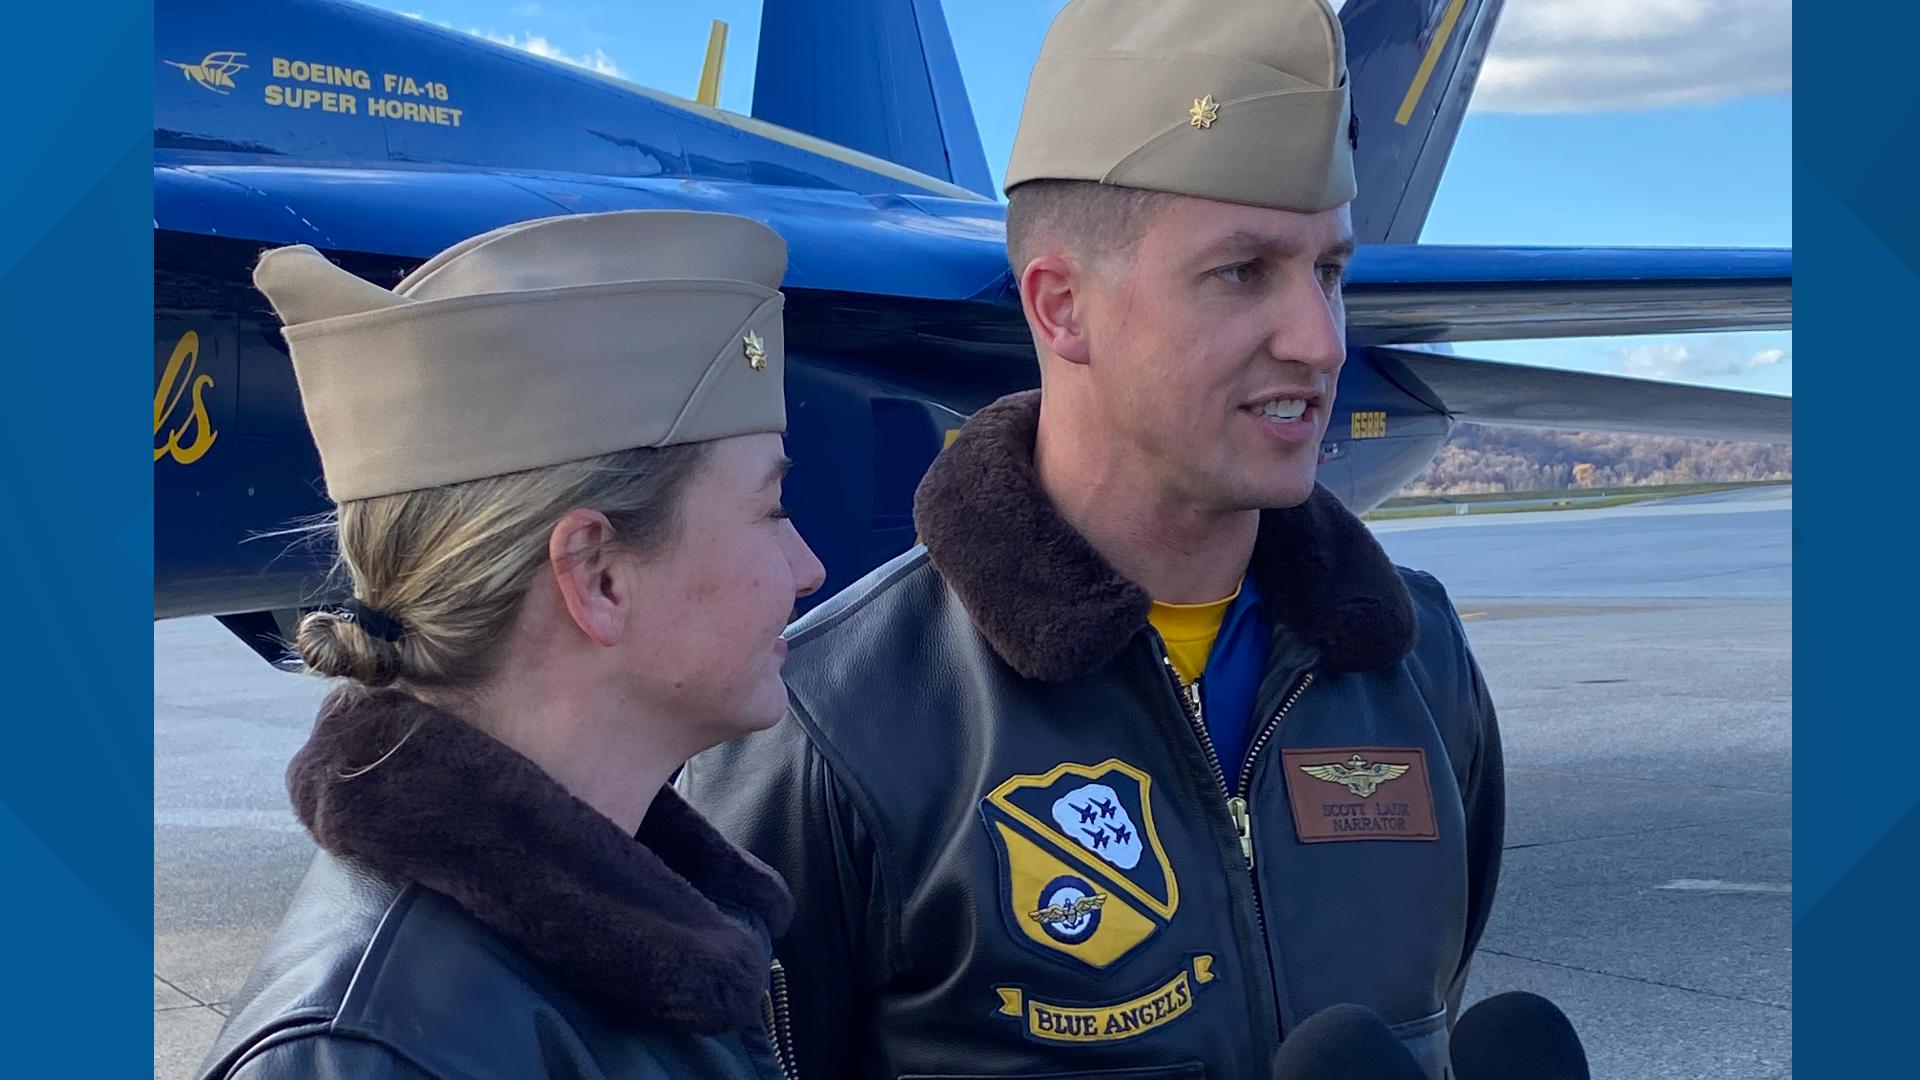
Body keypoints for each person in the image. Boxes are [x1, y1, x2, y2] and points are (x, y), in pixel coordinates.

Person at [676, 1, 1503, 1077]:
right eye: (1242, 271)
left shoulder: (1419, 669)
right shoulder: (832, 729)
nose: (1319, 340)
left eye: (1330, 272)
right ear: (1062, 308)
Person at [197, 210, 826, 1080]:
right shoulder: (378, 1054)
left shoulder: (620, 951)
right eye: (772, 511)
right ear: (598, 575)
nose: (807, 568)